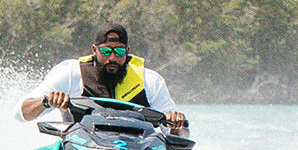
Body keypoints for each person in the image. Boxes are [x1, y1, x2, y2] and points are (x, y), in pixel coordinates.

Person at [20, 25, 188, 133]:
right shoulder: (71, 74)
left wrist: (177, 124)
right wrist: (46, 101)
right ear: (95, 50)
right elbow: (21, 113)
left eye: (120, 52)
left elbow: (183, 137)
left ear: (128, 51)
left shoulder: (150, 81)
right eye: (106, 51)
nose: (113, 58)